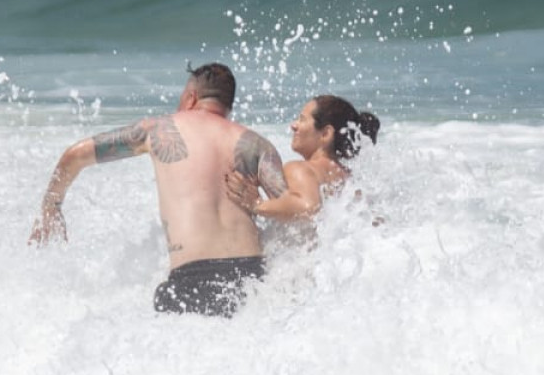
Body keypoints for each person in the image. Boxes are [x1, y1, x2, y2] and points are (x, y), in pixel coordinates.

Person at [29, 62, 288, 317]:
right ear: (227, 105)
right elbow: (295, 213)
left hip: (192, 281)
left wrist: (51, 207)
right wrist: (259, 206)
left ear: (190, 97)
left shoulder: (158, 130)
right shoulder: (257, 145)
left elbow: (73, 156)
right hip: (253, 279)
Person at [224, 93, 379, 222]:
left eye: (302, 119)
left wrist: (257, 204)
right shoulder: (349, 177)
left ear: (326, 134)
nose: (294, 125)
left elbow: (309, 207)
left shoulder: (300, 169)